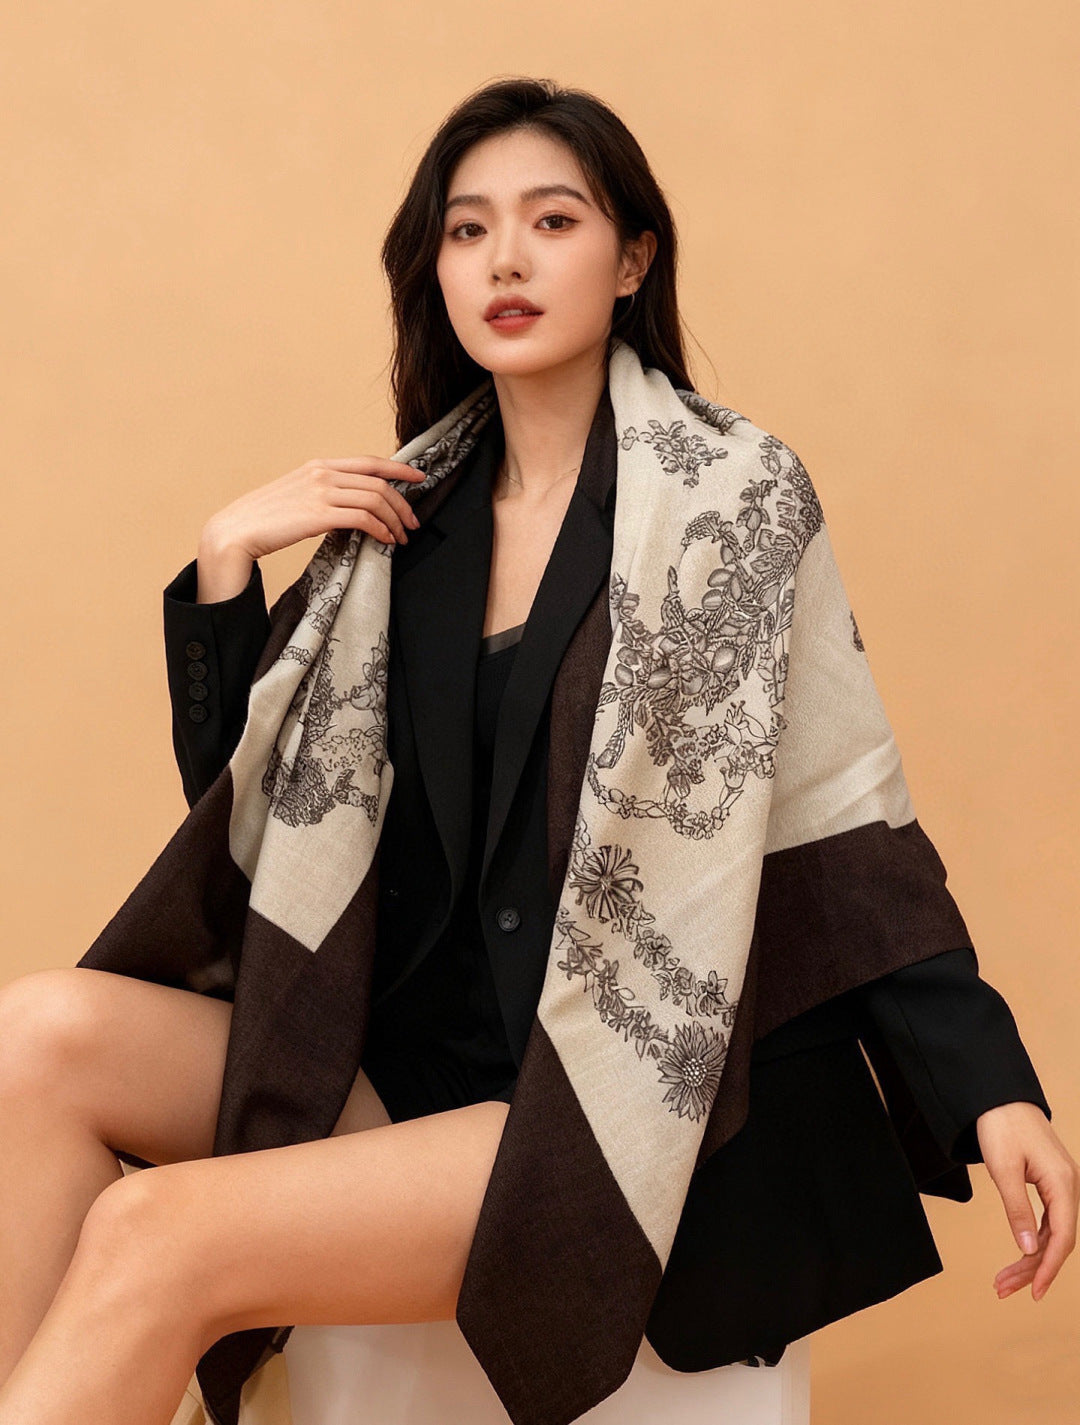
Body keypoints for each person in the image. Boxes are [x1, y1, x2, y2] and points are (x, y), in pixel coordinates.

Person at [0, 76, 1076, 1425]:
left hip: (599, 1099)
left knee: (153, 1231)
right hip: (408, 1073)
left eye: (552, 221)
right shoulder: (404, 528)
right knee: (32, 1036)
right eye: (468, 231)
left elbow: (841, 815)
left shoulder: (732, 504)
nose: (504, 259)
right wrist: (226, 566)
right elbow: (262, 835)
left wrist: (991, 1092)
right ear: (436, 270)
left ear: (631, 261)